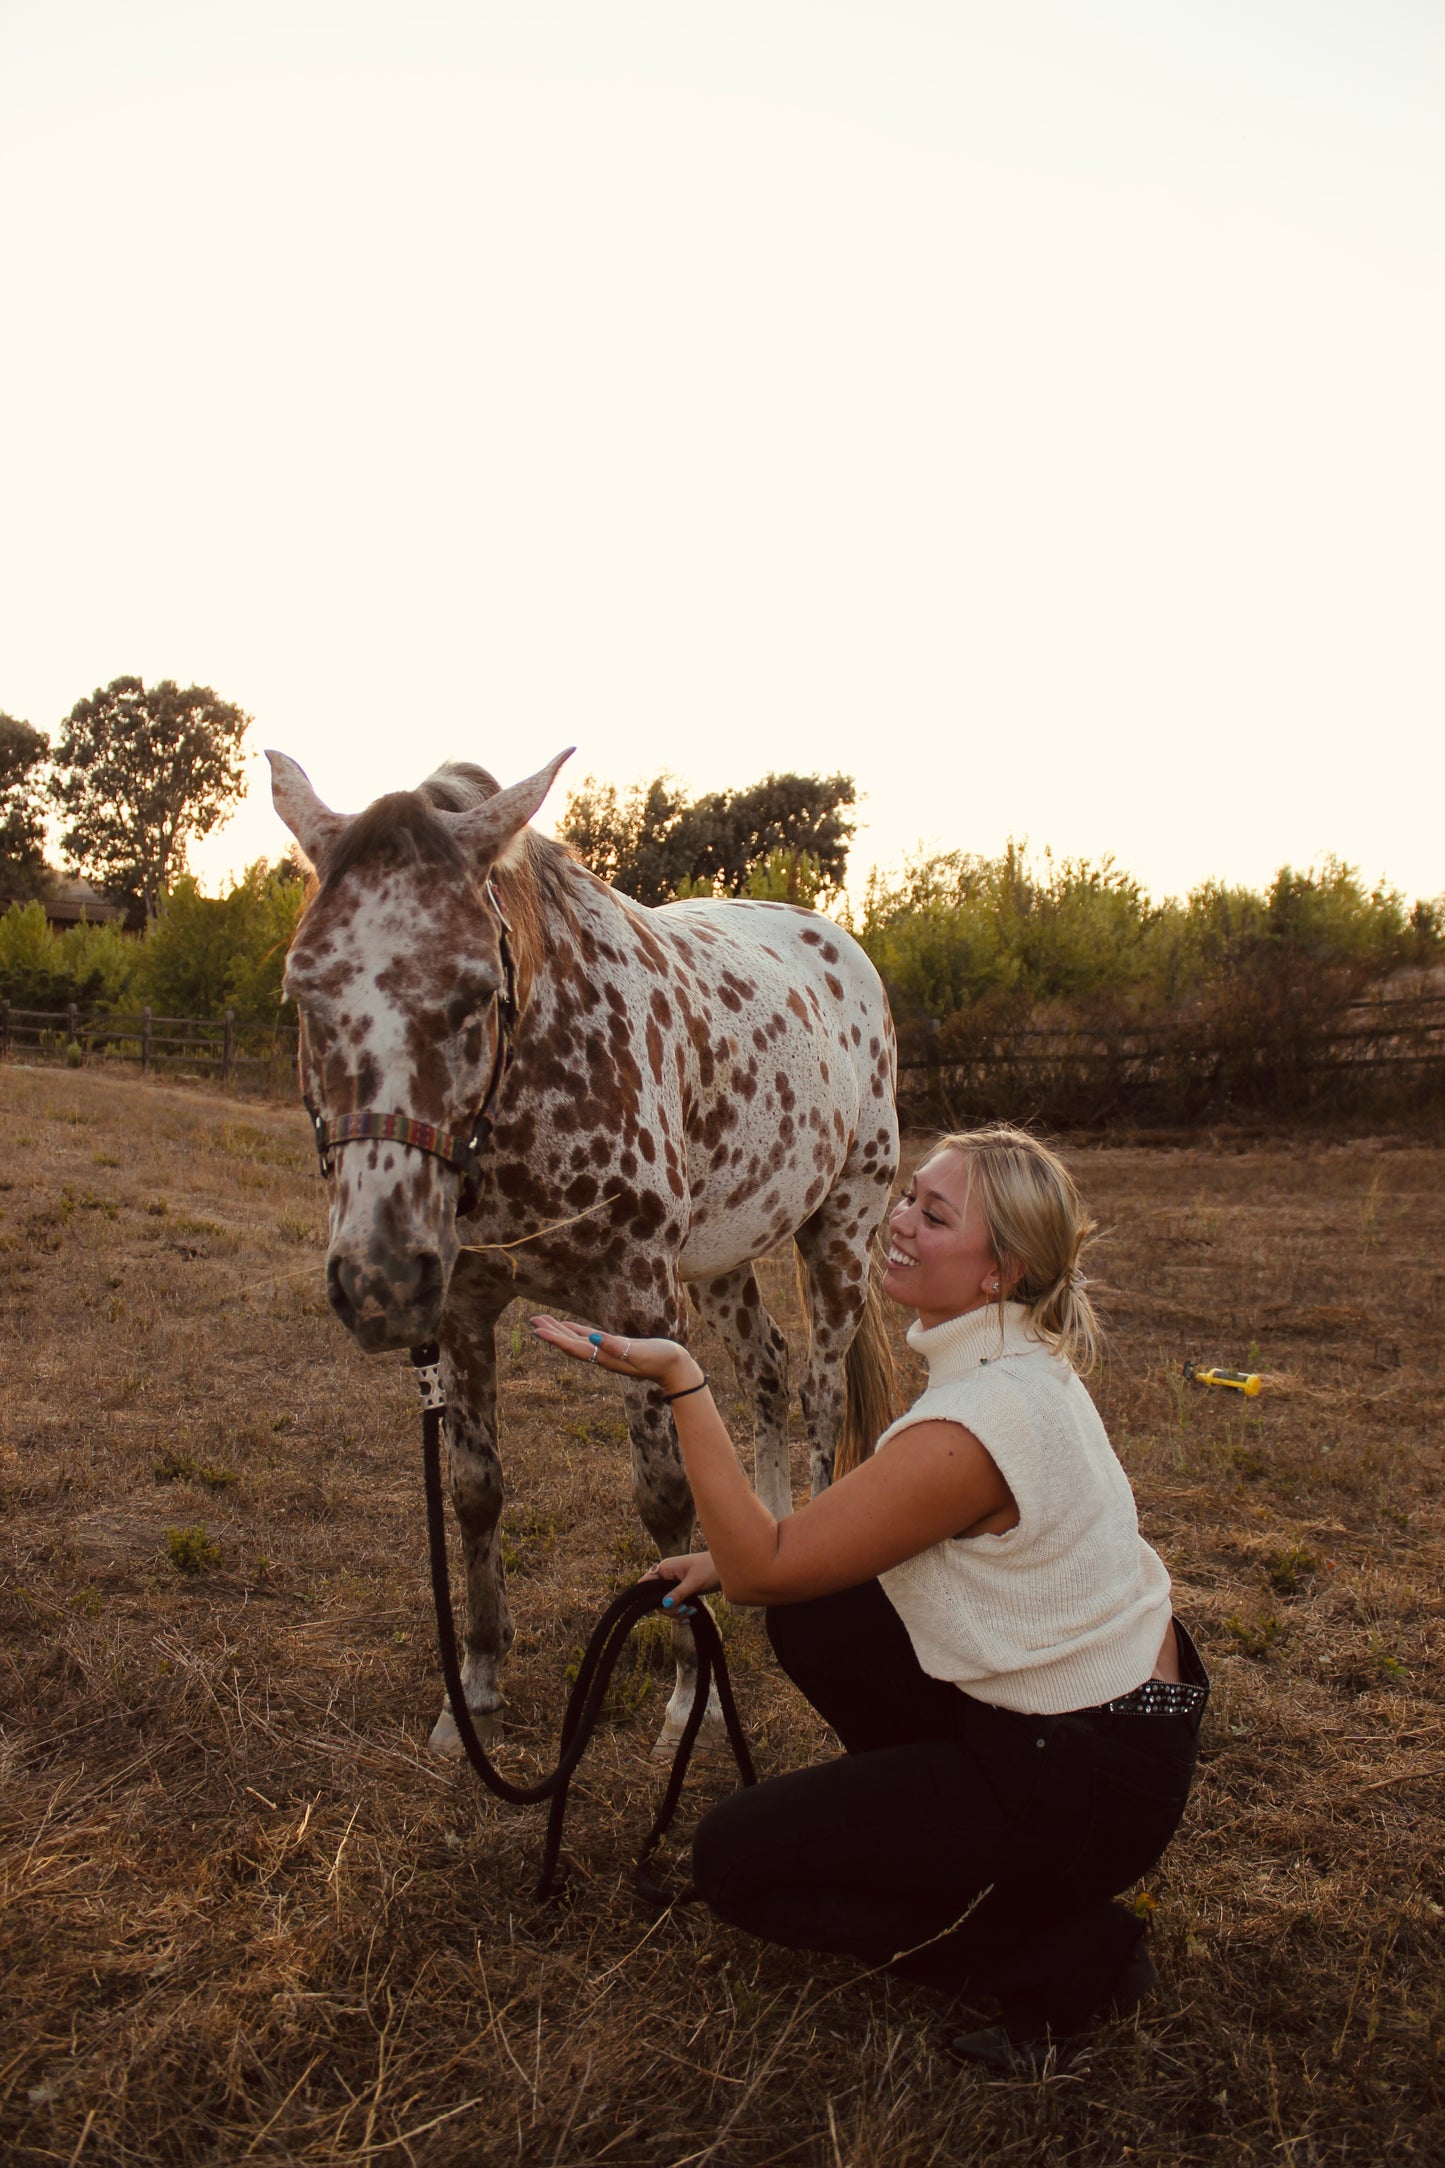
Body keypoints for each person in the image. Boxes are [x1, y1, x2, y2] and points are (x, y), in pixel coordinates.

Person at [531, 1123, 1208, 2072]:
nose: (897, 1222)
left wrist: (682, 1379)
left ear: (997, 1273)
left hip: (1084, 1777)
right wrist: (731, 1562)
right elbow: (819, 1551)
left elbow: (770, 1560)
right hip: (1108, 1727)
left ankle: (1072, 1959)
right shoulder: (1020, 1364)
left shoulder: (974, 1422)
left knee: (736, 1865)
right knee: (820, 1606)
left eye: (933, 1215)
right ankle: (946, 1847)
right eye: (906, 1197)